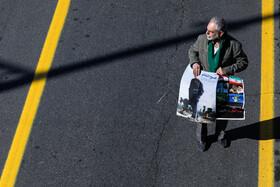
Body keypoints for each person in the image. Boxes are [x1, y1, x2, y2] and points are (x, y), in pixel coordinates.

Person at [188, 17, 248, 151]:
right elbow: (192, 51)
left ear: (220, 33)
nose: (207, 33)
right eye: (207, 30)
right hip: (205, 83)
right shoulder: (202, 39)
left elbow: (243, 62)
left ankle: (220, 135)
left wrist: (226, 70)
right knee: (202, 113)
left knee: (222, 112)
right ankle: (201, 138)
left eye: (210, 31)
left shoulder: (234, 45)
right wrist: (195, 63)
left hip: (222, 84)